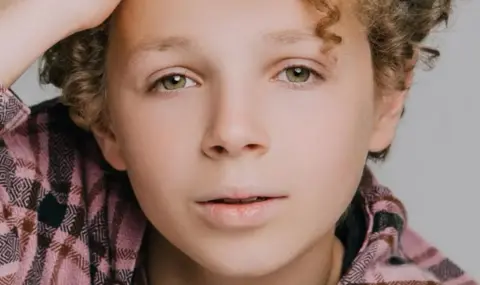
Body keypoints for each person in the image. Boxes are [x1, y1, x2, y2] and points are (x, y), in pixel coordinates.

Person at [0, 0, 476, 284]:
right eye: (174, 81)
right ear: (106, 121)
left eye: (297, 71)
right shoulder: (32, 220)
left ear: (387, 99)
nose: (232, 132)